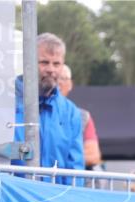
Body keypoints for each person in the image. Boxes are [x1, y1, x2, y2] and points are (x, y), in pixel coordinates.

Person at [12, 33, 83, 180]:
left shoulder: (70, 112)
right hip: (12, 193)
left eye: (56, 64)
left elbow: (75, 170)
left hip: (54, 194)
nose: (51, 69)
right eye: (44, 62)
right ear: (28, 62)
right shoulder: (5, 104)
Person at [57, 64, 102, 169]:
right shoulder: (33, 114)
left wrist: (55, 159)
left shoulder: (83, 116)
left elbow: (93, 157)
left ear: (70, 84)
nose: (59, 82)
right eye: (56, 78)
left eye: (63, 78)